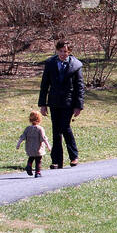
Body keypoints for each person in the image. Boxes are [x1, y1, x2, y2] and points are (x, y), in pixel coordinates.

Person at [38, 39, 85, 169]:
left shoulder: (76, 65)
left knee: (65, 127)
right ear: (57, 50)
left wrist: (78, 106)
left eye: (65, 51)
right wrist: (43, 104)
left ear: (69, 52)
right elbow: (44, 85)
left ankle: (74, 156)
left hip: (69, 102)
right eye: (60, 51)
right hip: (54, 102)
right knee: (56, 130)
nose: (63, 54)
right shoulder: (50, 64)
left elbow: (80, 87)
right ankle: (56, 161)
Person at [16, 110, 50, 177]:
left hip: (30, 148)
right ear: (40, 119)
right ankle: (37, 172)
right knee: (38, 160)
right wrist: (48, 145)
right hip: (38, 148)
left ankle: (29, 165)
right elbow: (43, 138)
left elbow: (22, 137)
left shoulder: (28, 129)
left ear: (30, 119)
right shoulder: (40, 129)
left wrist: (18, 144)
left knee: (31, 158)